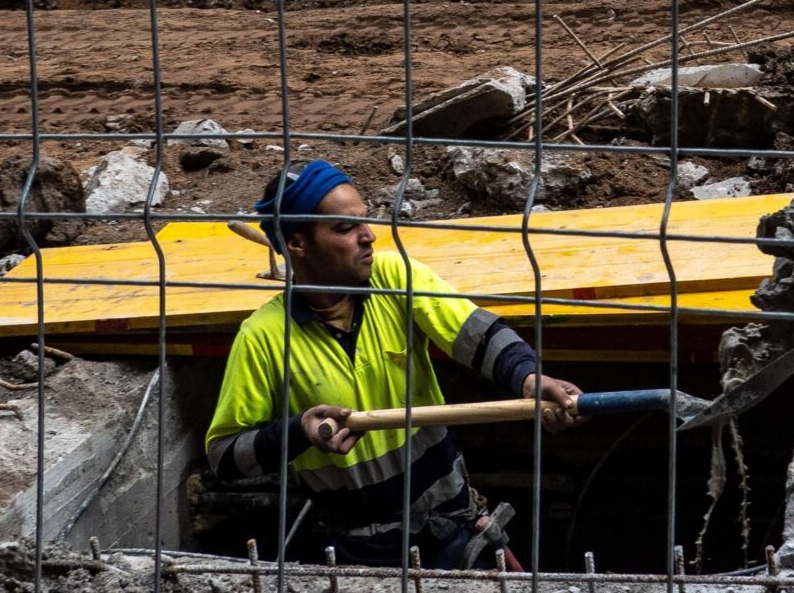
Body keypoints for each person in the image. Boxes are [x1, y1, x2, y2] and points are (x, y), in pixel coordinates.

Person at [205, 159, 583, 569]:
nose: (369, 237)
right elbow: (224, 457)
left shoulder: (394, 277)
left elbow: (477, 334)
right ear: (297, 243)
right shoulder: (263, 336)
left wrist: (529, 378)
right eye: (346, 228)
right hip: (360, 551)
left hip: (453, 528)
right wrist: (299, 431)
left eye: (365, 222)